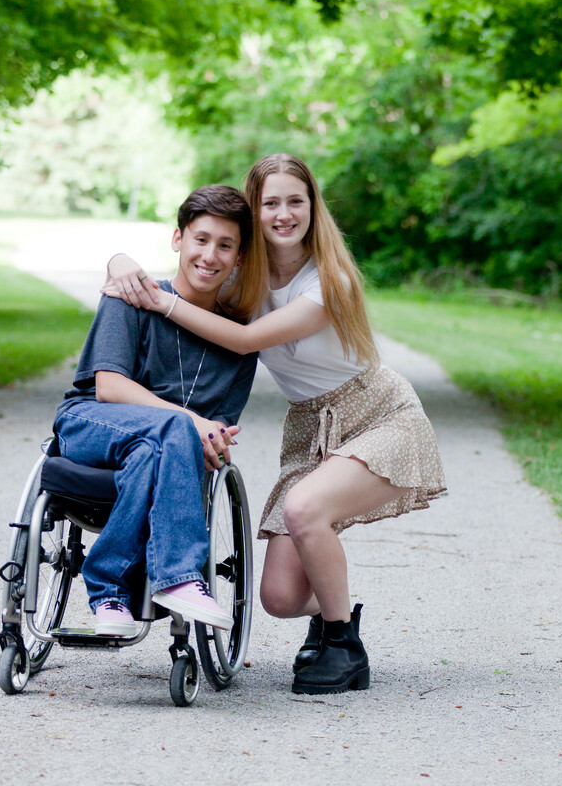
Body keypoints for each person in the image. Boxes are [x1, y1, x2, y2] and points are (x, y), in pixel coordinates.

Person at [103, 153, 447, 694]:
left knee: (304, 508)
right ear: (254, 212)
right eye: (270, 203)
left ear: (313, 206)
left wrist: (160, 304)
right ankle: (336, 612)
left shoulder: (330, 280)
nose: (284, 214)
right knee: (279, 598)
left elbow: (241, 340)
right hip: (312, 427)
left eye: (296, 201)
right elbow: (196, 266)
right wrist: (121, 261)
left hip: (378, 414)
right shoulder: (247, 278)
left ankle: (343, 646)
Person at [54, 184, 264, 637]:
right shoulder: (131, 293)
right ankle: (182, 576)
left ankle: (109, 592)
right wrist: (190, 423)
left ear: (239, 258)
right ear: (178, 239)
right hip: (91, 425)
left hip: (156, 455)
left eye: (225, 245)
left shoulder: (239, 342)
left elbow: (220, 431)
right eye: (201, 239)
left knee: (158, 448)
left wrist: (215, 442)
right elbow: (108, 387)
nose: (210, 255)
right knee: (172, 427)